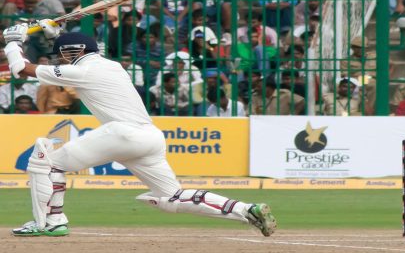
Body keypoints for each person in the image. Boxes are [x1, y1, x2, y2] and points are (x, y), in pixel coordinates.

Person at [2, 22, 276, 237]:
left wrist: (13, 42)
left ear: (73, 53)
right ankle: (246, 210)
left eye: (61, 53)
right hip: (150, 137)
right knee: (172, 198)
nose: (58, 59)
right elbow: (74, 52)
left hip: (122, 133)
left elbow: (20, 69)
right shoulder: (111, 65)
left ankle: (50, 222)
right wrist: (56, 34)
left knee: (46, 163)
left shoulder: (80, 71)